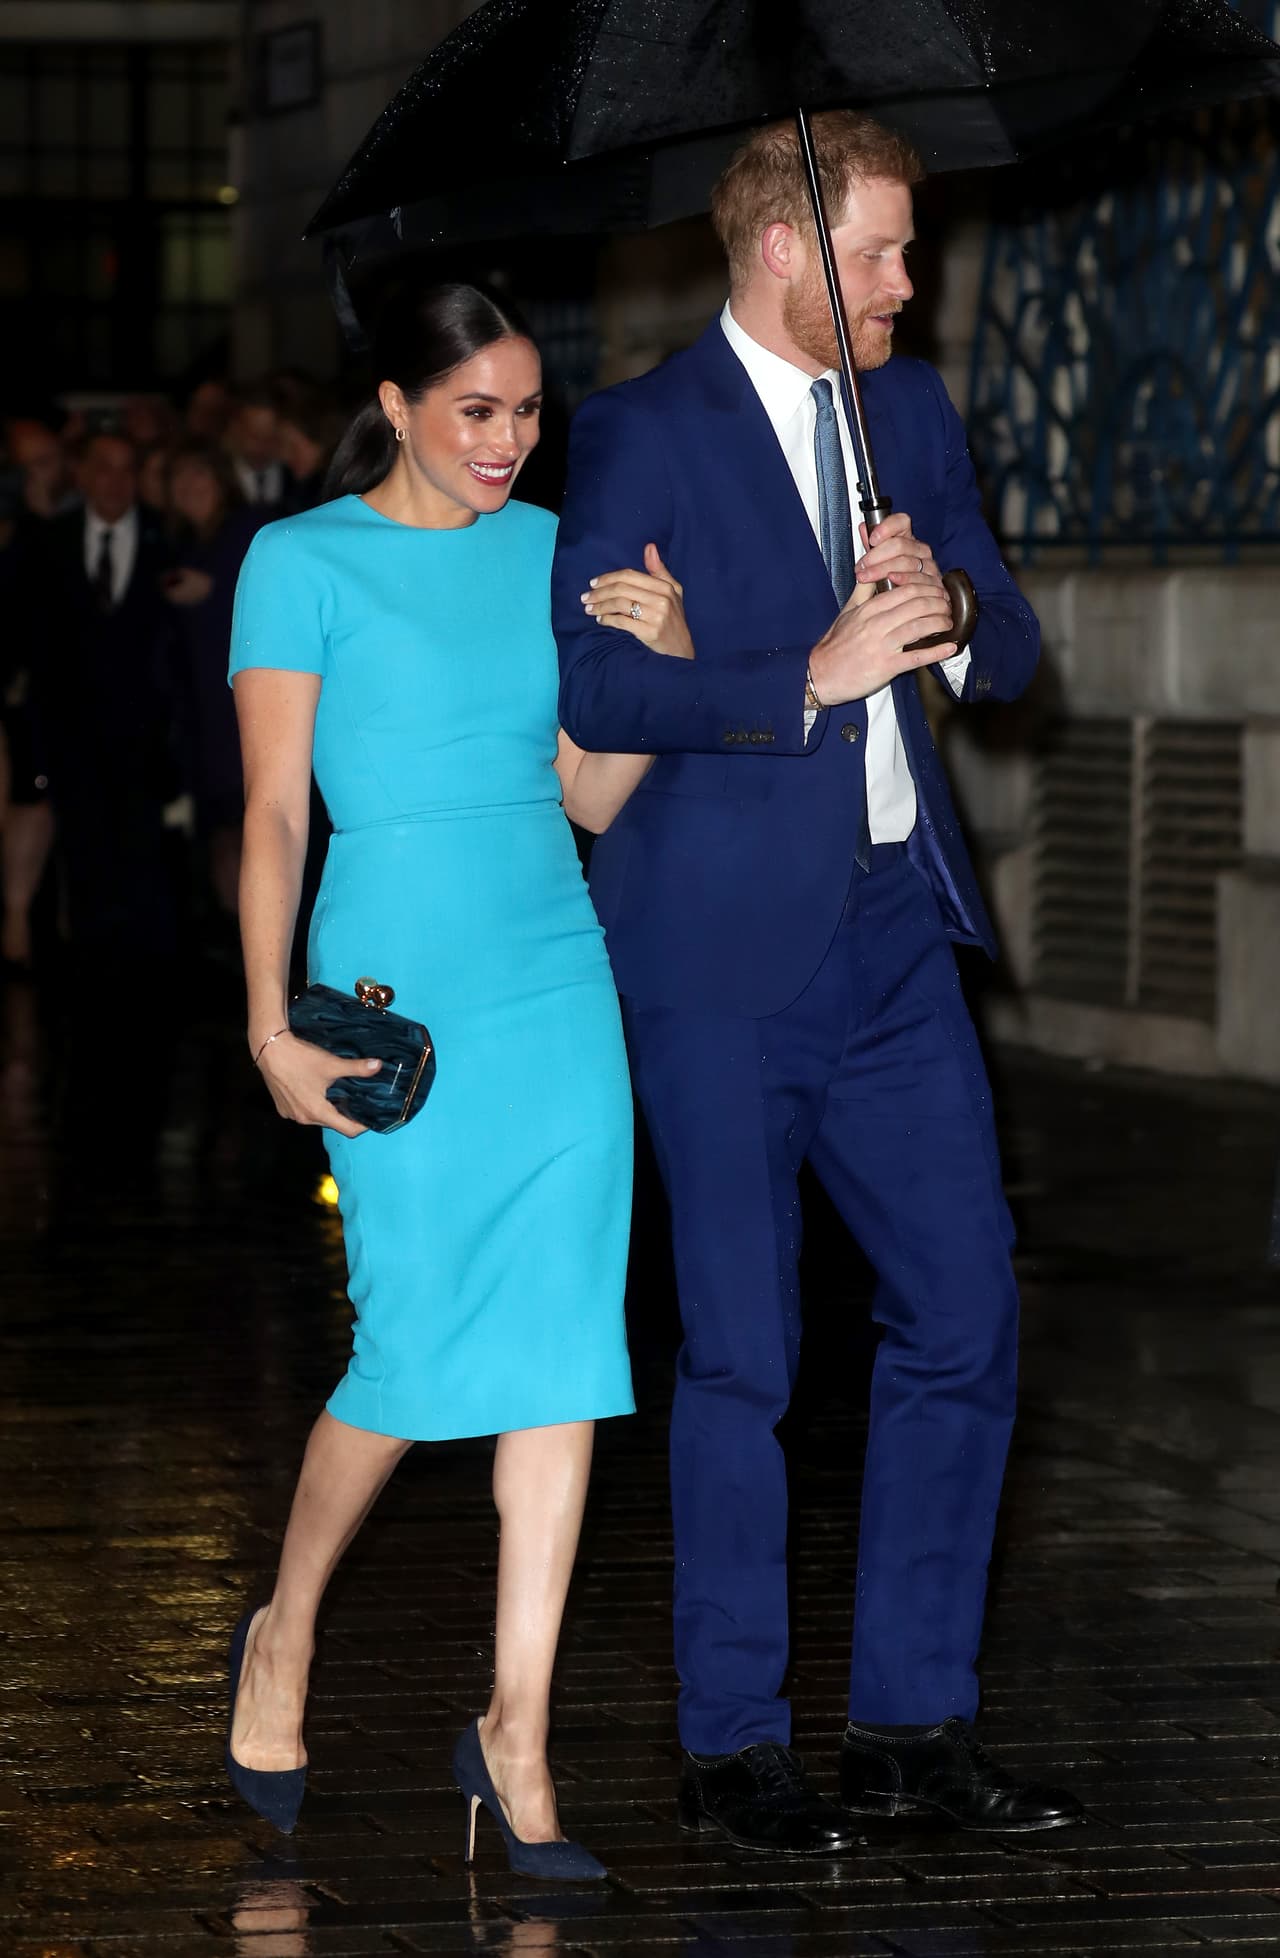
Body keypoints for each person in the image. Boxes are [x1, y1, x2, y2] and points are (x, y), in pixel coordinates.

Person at [552, 111, 1084, 1853]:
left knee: (967, 1312)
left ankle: (914, 1730)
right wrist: (804, 670)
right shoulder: (638, 431)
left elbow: (1011, 645)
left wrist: (949, 611)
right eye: (882, 251)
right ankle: (733, 1740)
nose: (909, 282)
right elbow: (601, 702)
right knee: (746, 1354)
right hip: (712, 959)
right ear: (784, 249)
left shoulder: (913, 411)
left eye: (910, 249)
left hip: (893, 939)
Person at [225, 282, 657, 1874]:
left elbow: (590, 795)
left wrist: (656, 672)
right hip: (396, 989)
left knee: (561, 1350)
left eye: (530, 411)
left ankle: (515, 1729)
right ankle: (286, 1629)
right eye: (477, 409)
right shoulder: (302, 560)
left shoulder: (552, 553)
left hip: (558, 980)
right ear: (398, 404)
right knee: (405, 1347)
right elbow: (275, 814)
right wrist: (270, 1026)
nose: (509, 441)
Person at [28, 430, 180, 964]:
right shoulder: (51, 542)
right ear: (84, 475)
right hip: (73, 737)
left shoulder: (166, 538)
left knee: (145, 859)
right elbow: (38, 647)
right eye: (104, 469)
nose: (115, 482)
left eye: (125, 470)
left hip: (146, 738)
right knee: (84, 857)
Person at [164, 441, 263, 920]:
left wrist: (216, 589)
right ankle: (237, 941)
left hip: (245, 708)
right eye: (179, 480)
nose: (189, 487)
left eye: (199, 475)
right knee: (221, 832)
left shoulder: (247, 531)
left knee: (254, 830)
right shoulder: (181, 545)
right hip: (203, 714)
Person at [225, 385, 287, 508]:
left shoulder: (298, 480)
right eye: (254, 436)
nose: (262, 445)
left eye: (271, 437)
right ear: (235, 430)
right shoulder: (217, 481)